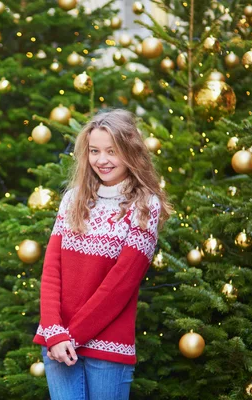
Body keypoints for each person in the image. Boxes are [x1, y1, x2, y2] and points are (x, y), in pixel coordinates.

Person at [32, 109, 172, 400]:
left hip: (107, 347)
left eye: (112, 151)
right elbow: (52, 270)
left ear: (130, 152)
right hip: (57, 342)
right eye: (94, 151)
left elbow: (121, 285)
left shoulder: (145, 205)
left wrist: (72, 336)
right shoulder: (73, 198)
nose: (102, 160)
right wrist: (54, 333)